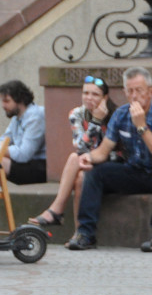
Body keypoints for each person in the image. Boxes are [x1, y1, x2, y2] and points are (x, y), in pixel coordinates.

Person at [65, 67, 152, 252]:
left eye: (139, 90)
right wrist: (88, 157)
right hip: (136, 170)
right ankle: (86, 234)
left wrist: (141, 127)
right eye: (130, 91)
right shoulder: (121, 114)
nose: (134, 96)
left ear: (150, 92)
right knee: (96, 171)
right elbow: (104, 150)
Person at [29, 76, 118, 228]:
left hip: (111, 165)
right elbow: (80, 147)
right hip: (87, 162)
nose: (89, 98)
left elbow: (117, 154)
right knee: (80, 178)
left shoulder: (115, 115)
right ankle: (79, 232)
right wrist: (94, 122)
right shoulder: (76, 114)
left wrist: (97, 121)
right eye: (85, 93)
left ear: (105, 98)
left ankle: (56, 211)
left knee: (74, 161)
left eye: (95, 94)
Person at [0, 80, 46, 185]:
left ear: (20, 100)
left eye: (7, 101)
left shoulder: (35, 117)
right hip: (26, 164)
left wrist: (2, 150)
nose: (3, 105)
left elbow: (24, 154)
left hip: (41, 167)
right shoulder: (16, 118)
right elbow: (4, 139)